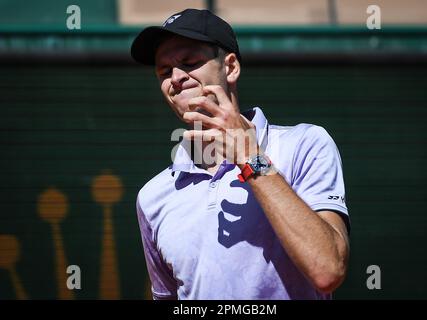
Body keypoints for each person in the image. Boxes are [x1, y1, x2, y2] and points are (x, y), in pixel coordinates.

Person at [131, 8, 350, 300]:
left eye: (189, 62)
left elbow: (327, 270)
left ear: (230, 67)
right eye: (164, 71)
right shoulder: (152, 196)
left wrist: (250, 157)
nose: (176, 78)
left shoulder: (305, 144)